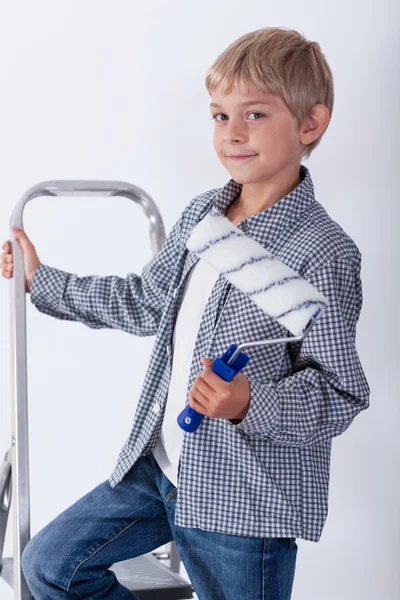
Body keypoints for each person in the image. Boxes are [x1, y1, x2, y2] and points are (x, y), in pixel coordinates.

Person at [0, 26, 370, 600]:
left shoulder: (323, 252)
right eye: (220, 116)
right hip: (163, 469)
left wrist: (251, 402)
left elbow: (340, 392)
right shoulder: (205, 214)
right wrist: (43, 281)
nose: (232, 133)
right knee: (51, 565)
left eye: (254, 115)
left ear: (310, 124)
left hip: (246, 501)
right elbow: (147, 302)